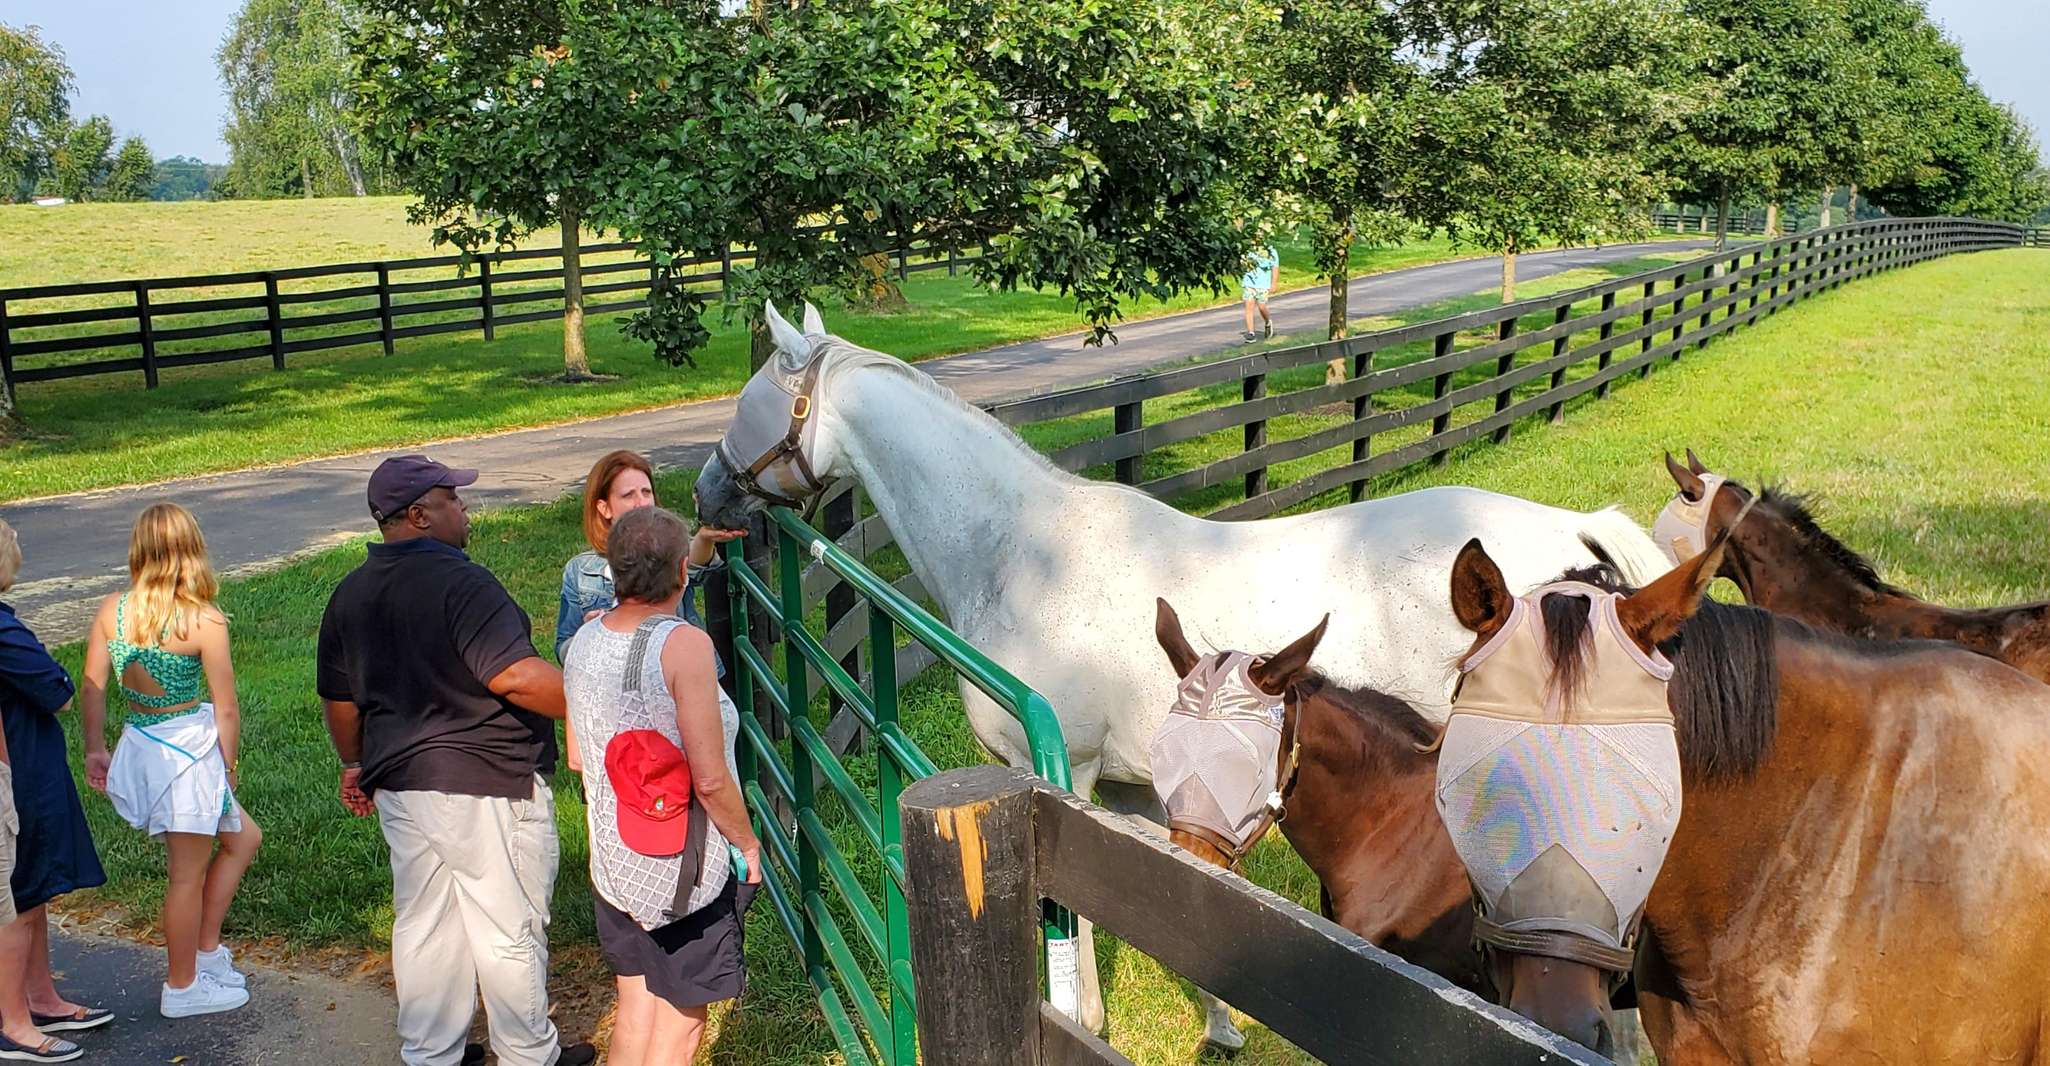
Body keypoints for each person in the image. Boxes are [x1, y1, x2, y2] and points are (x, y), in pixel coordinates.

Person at [315, 455, 596, 1066]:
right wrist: (598, 702)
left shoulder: (350, 593)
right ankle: (529, 1055)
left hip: (403, 784)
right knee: (507, 920)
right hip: (485, 780)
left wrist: (354, 763)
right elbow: (516, 676)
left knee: (425, 921)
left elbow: (340, 702)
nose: (464, 509)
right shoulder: (462, 582)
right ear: (418, 515)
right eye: (452, 500)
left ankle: (432, 1054)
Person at [562, 508, 761, 1066]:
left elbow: (579, 757)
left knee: (637, 1008)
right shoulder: (683, 647)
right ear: (681, 569)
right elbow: (711, 777)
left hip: (613, 864)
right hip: (678, 872)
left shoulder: (583, 641)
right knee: (680, 1030)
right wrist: (747, 845)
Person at [80, 504, 262, 1019]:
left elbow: (93, 689)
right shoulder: (202, 618)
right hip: (186, 754)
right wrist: (227, 768)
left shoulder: (113, 610)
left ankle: (205, 952)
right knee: (185, 876)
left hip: (143, 741)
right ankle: (181, 987)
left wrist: (96, 748)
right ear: (191, 550)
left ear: (139, 550)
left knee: (244, 837)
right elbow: (225, 706)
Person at [0, 519, 107, 1063]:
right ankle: (14, 1023)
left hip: (27, 766)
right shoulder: (1, 628)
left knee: (34, 889)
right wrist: (61, 682)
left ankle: (41, 997)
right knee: (18, 898)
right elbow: (56, 689)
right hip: (18, 774)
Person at [554, 450, 742, 664]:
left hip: (676, 673)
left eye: (646, 492)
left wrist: (705, 538)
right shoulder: (580, 571)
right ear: (604, 508)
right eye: (628, 495)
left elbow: (693, 564)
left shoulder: (668, 549)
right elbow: (563, 647)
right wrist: (589, 634)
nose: (641, 503)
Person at [1240, 239, 1279, 344]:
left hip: (1263, 284)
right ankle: (1251, 333)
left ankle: (1267, 321)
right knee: (1249, 306)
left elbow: (1275, 267)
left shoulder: (1270, 251)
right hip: (1249, 282)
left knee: (1261, 306)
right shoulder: (1247, 249)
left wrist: (1273, 283)